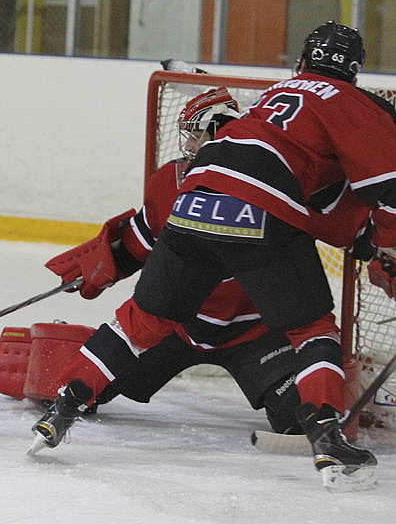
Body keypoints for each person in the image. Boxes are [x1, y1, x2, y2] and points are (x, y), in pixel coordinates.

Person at [33, 26, 396, 490]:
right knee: (314, 330)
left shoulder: (270, 100)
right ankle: (327, 438)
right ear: (354, 69)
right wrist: (381, 245)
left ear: (302, 61)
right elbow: (368, 195)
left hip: (197, 206)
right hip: (259, 217)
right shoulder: (352, 103)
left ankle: (62, 410)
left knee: (139, 322)